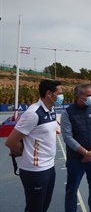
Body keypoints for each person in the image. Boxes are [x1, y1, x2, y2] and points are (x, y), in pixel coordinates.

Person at [5, 79, 63, 212]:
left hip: (49, 166)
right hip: (36, 171)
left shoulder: (52, 110)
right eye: (59, 93)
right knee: (34, 208)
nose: (61, 96)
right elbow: (10, 142)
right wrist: (26, 151)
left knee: (43, 207)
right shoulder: (33, 113)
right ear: (49, 94)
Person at [60, 83, 91, 212]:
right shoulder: (67, 113)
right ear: (79, 97)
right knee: (72, 189)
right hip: (75, 159)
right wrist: (85, 153)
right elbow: (68, 137)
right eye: (88, 95)